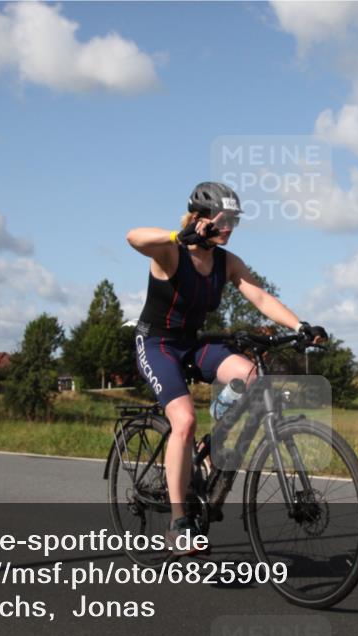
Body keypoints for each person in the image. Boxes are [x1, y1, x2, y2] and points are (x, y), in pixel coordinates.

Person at [126, 182, 328, 556]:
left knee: (252, 377)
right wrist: (177, 234)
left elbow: (261, 296)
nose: (230, 227)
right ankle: (178, 523)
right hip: (157, 345)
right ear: (202, 217)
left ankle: (210, 441)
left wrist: (300, 326)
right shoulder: (171, 252)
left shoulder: (226, 262)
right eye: (224, 219)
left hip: (193, 342)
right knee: (183, 420)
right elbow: (133, 237)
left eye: (234, 220)